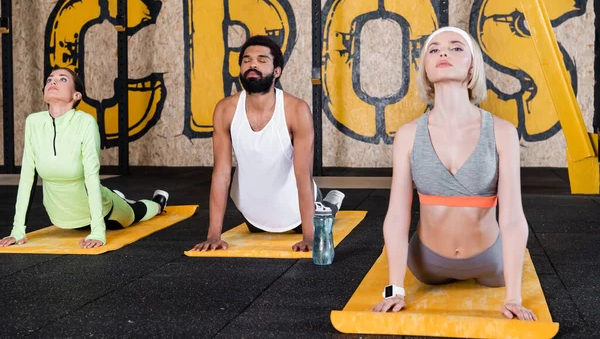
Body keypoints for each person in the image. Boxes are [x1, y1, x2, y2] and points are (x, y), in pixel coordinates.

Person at [372, 27, 536, 321]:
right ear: (425, 68)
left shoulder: (502, 132)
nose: (443, 52)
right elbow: (396, 216)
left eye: (456, 48)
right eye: (434, 50)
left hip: (491, 264)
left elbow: (512, 218)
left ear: (472, 66)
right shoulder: (408, 135)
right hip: (426, 265)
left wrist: (514, 297)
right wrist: (393, 290)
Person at [191, 35, 344, 252]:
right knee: (258, 228)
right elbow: (222, 174)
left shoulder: (296, 110)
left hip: (294, 213)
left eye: (262, 60)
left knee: (321, 211)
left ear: (277, 71)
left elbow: (303, 175)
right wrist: (214, 235)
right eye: (246, 60)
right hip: (253, 215)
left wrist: (310, 236)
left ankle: (330, 203)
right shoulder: (225, 110)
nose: (252, 64)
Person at [0, 67, 169, 249]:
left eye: (62, 79)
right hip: (61, 217)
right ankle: (115, 196)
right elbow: (27, 177)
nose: (53, 82)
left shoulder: (86, 122)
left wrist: (97, 231)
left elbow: (91, 176)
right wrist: (17, 230)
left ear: (77, 96)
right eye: (49, 79)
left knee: (136, 214)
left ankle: (157, 203)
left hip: (103, 213)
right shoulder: (33, 122)